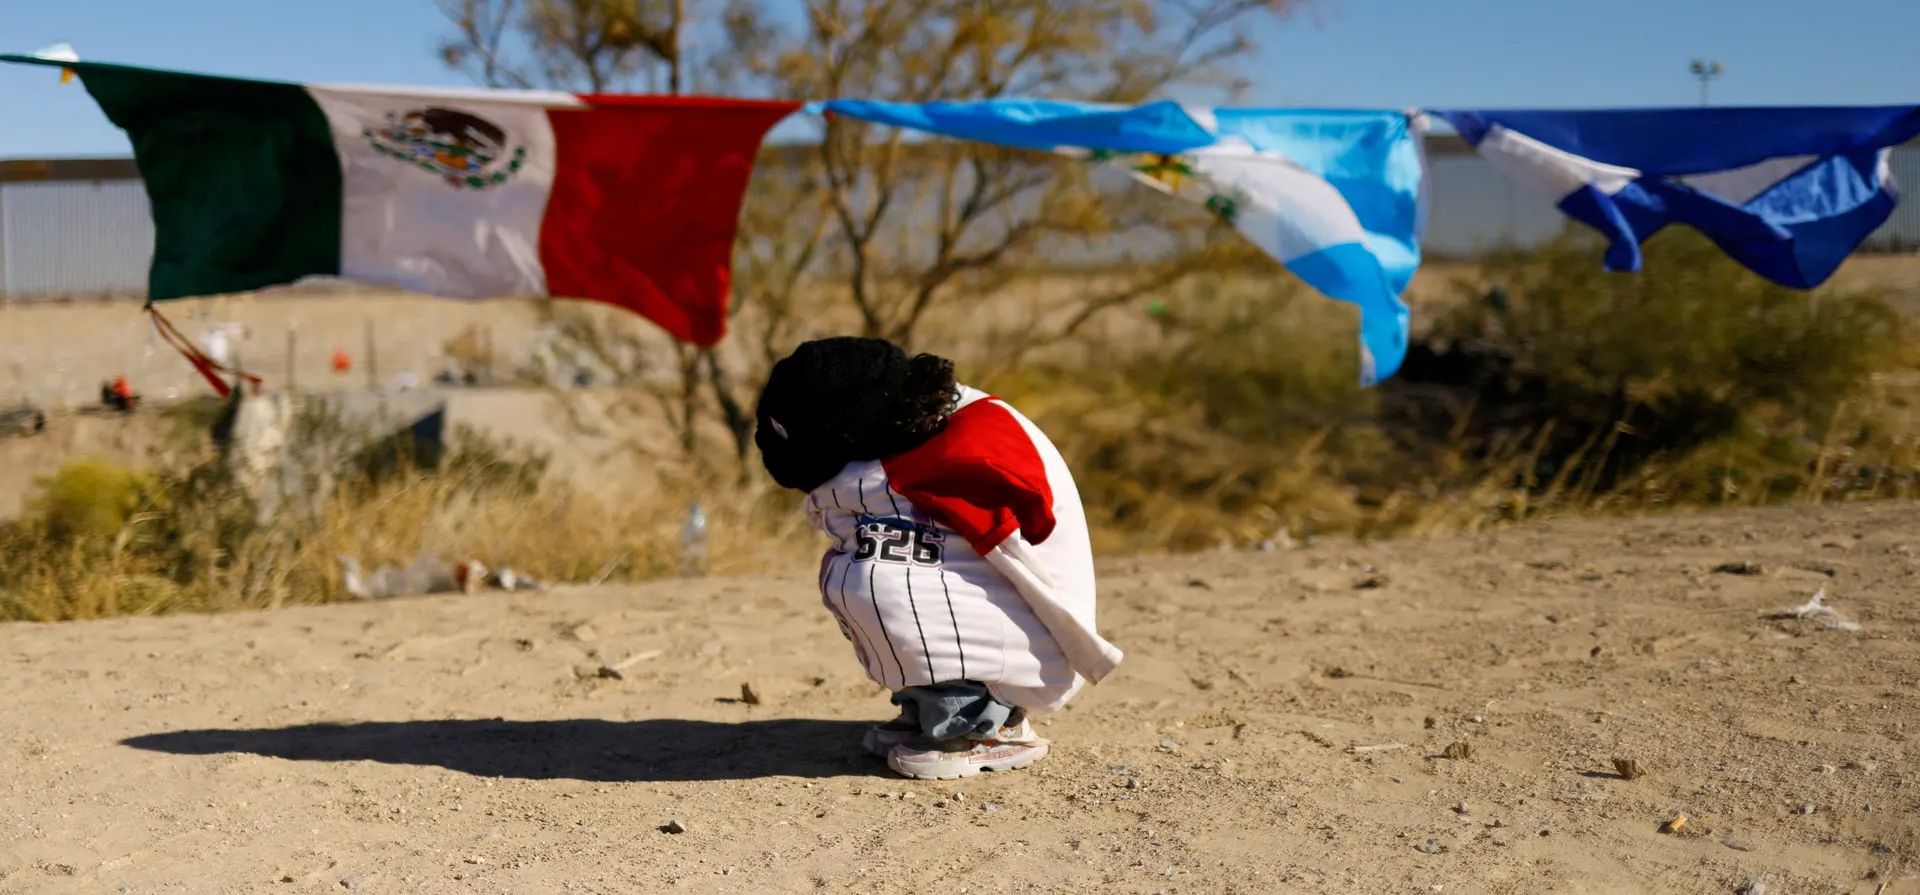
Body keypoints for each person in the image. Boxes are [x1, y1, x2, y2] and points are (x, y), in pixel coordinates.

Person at [755, 338, 1123, 780]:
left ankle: (980, 723)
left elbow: (1028, 525)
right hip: (1016, 620)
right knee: (861, 566)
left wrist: (1081, 649)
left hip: (1041, 641)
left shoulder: (967, 441)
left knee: (876, 575)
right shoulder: (920, 421)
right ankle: (933, 707)